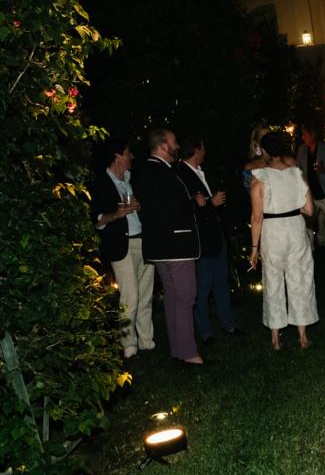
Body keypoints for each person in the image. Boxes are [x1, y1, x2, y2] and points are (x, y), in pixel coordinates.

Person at [135, 129, 203, 365]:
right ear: (163, 145)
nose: (177, 146)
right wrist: (195, 202)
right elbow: (172, 208)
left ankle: (178, 349)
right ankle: (188, 353)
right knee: (185, 297)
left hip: (160, 247)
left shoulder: (144, 170)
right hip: (175, 245)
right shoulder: (160, 172)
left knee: (174, 298)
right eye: (174, 142)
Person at [248, 131, 318, 350]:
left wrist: (253, 248)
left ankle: (276, 338)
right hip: (296, 228)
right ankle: (303, 336)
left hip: (273, 231)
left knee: (273, 280)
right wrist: (290, 205)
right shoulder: (296, 174)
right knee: (301, 279)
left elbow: (256, 217)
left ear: (266, 152)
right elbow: (309, 209)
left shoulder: (259, 178)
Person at [89, 139, 154, 359]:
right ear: (118, 156)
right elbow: (97, 220)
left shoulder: (130, 179)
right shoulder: (100, 183)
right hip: (120, 245)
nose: (132, 157)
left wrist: (139, 206)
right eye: (128, 153)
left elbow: (141, 209)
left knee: (146, 294)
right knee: (130, 296)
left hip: (143, 241)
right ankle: (128, 343)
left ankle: (146, 340)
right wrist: (117, 214)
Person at [176, 136, 239, 344]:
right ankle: (205, 331)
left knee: (221, 281)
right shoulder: (181, 175)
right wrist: (212, 204)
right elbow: (187, 210)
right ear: (196, 150)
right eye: (203, 148)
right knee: (202, 287)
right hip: (200, 240)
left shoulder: (203, 172)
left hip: (216, 235)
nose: (205, 152)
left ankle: (228, 323)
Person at [296, 122, 325, 256]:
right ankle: (312, 247)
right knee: (310, 222)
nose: (303, 137)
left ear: (313, 135)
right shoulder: (301, 150)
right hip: (309, 194)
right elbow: (297, 168)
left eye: (305, 135)